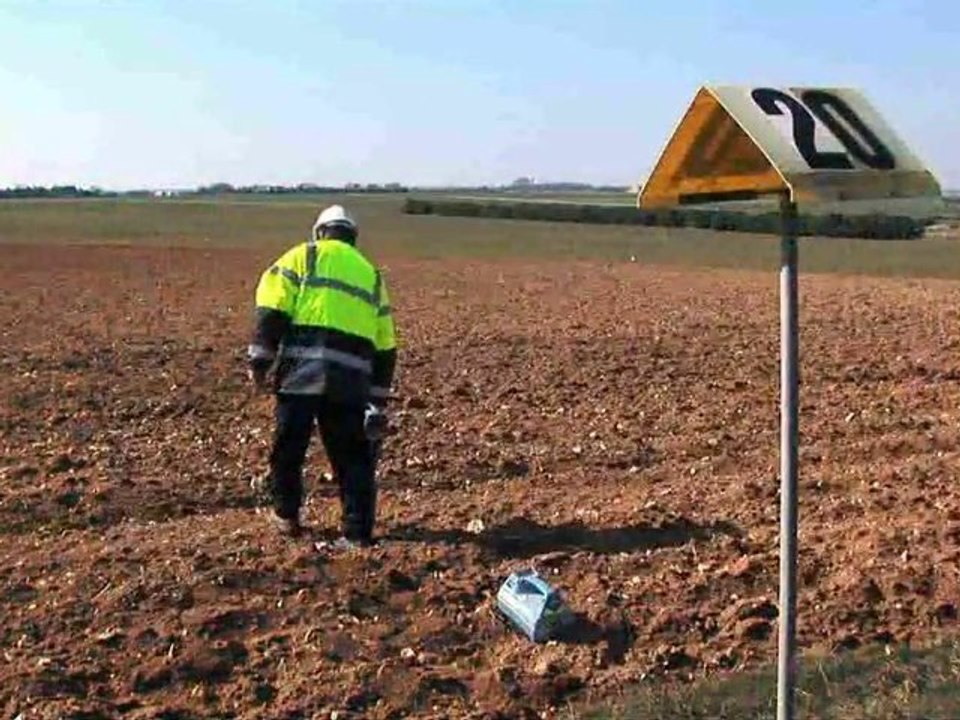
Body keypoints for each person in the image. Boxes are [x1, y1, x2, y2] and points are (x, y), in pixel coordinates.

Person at [247, 204, 397, 547]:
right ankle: (357, 533)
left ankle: (286, 516)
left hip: (302, 371)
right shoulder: (371, 275)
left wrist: (260, 361)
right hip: (350, 381)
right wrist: (377, 401)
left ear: (319, 232)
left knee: (289, 447)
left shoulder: (303, 256)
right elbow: (386, 346)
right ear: (352, 238)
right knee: (353, 457)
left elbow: (273, 310)